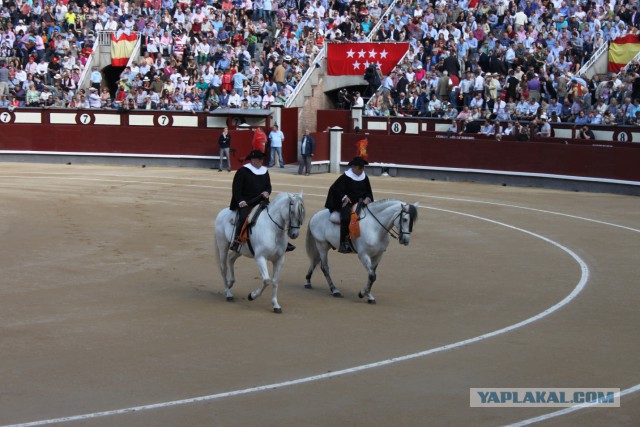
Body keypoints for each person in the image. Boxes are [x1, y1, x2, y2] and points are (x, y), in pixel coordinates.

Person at [325, 156, 374, 254]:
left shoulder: (364, 177)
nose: (362, 170)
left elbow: (368, 192)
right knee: (346, 218)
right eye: (360, 168)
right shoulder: (346, 176)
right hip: (349, 203)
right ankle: (343, 243)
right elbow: (335, 189)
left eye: (362, 168)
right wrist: (344, 197)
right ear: (354, 167)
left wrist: (368, 198)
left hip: (362, 203)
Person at [229, 150, 271, 252]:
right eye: (259, 159)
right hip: (247, 202)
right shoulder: (243, 171)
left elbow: (268, 186)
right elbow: (236, 188)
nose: (261, 161)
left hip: (262, 200)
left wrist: (267, 192)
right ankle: (237, 240)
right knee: (243, 217)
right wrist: (240, 200)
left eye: (262, 159)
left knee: (274, 215)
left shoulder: (264, 171)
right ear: (252, 160)